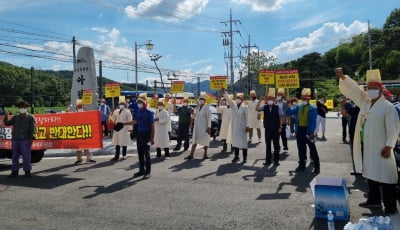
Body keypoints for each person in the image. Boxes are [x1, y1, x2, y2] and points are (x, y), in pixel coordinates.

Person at [337, 68, 400, 215]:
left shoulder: (387, 107)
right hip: (369, 146)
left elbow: (393, 128)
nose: (371, 90)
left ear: (380, 89)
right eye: (369, 87)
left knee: (386, 176)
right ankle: (374, 201)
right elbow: (355, 91)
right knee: (370, 174)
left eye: (374, 87)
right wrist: (343, 77)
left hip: (383, 147)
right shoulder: (365, 102)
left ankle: (390, 207)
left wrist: (389, 146)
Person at [287, 88, 320, 174]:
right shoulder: (299, 106)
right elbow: (289, 112)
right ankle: (302, 165)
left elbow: (313, 121)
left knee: (312, 149)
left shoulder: (312, 108)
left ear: (309, 99)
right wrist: (288, 105)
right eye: (303, 98)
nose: (304, 100)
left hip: (308, 130)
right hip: (299, 130)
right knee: (301, 148)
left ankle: (317, 166)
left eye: (305, 98)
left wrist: (312, 132)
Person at [4, 101, 36, 177]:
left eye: (24, 107)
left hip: (25, 139)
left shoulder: (30, 117)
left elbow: (33, 128)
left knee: (26, 156)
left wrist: (31, 138)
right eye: (21, 107)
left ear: (27, 108)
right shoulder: (15, 117)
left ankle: (27, 171)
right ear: (19, 108)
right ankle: (14, 171)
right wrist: (6, 116)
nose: (22, 109)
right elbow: (7, 123)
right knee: (14, 155)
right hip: (15, 139)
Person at [129, 96, 154, 179]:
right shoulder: (138, 112)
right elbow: (135, 122)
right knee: (140, 153)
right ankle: (141, 170)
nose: (139, 104)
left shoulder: (149, 113)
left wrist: (152, 138)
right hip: (139, 134)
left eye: (141, 103)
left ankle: (148, 172)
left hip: (146, 135)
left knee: (146, 153)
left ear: (144, 103)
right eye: (138, 103)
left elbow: (152, 127)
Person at [257, 88, 283, 166]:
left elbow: (280, 117)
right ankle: (268, 160)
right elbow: (257, 109)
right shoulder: (264, 106)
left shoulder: (277, 107)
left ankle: (276, 160)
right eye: (269, 99)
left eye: (271, 99)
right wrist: (260, 101)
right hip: (267, 129)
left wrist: (280, 127)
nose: (270, 100)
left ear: (274, 99)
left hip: (276, 129)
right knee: (268, 145)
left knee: (276, 145)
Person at [223, 89, 249, 163]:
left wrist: (247, 126)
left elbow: (247, 117)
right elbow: (228, 99)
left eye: (239, 98)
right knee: (235, 142)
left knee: (244, 143)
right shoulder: (233, 106)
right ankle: (236, 156)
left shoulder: (245, 107)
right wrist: (224, 92)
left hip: (242, 127)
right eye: (237, 98)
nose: (238, 99)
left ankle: (245, 157)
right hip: (234, 127)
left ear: (242, 99)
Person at [184, 95, 211, 160]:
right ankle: (191, 154)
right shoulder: (197, 108)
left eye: (202, 99)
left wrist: (209, 127)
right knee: (194, 140)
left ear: (205, 101)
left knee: (205, 140)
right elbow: (193, 117)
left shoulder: (207, 108)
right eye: (200, 99)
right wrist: (193, 112)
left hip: (204, 127)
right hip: (197, 127)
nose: (201, 100)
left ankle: (205, 154)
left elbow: (209, 118)